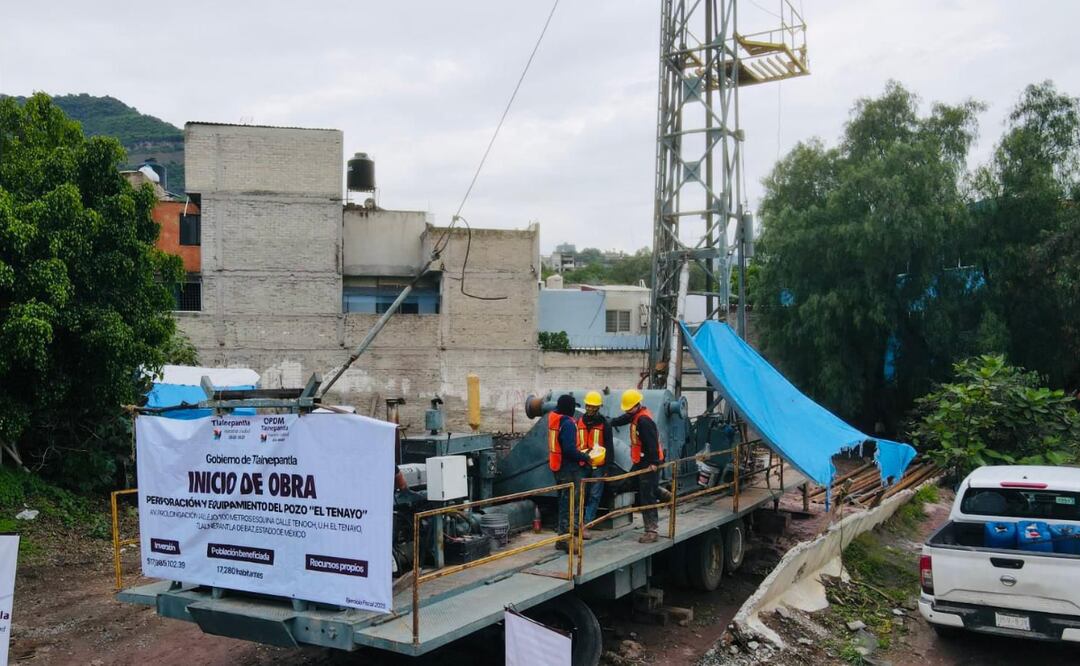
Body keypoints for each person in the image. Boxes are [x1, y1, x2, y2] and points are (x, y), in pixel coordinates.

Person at [610, 389, 664, 544]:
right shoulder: (635, 415)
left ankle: (652, 530)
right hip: (640, 462)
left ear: (636, 405)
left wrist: (654, 463)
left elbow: (652, 443)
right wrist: (610, 422)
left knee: (647, 495)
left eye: (629, 408)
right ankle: (662, 492)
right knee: (629, 484)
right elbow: (624, 418)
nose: (627, 411)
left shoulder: (644, 421)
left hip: (648, 463)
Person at [548, 394, 588, 551]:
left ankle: (563, 537)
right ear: (569, 408)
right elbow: (569, 449)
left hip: (557, 467)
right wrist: (585, 457)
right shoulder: (568, 424)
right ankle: (565, 540)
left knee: (564, 502)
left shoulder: (554, 418)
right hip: (568, 469)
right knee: (570, 503)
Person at [577, 390, 612, 540]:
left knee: (594, 495)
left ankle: (586, 525)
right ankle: (576, 524)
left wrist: (607, 468)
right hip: (582, 464)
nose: (590, 409)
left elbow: (609, 446)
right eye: (588, 406)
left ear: (598, 407)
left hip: (599, 465)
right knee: (579, 494)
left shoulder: (605, 424)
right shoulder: (578, 421)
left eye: (593, 406)